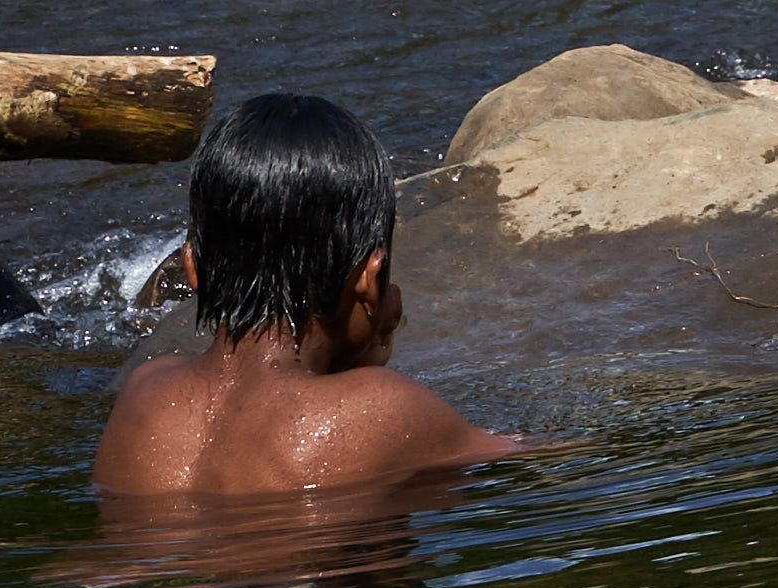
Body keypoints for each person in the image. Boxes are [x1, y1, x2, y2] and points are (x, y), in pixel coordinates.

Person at [94, 91, 515, 496]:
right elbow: (538, 456)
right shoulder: (384, 408)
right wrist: (366, 358)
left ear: (193, 269)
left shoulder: (144, 390)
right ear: (370, 280)